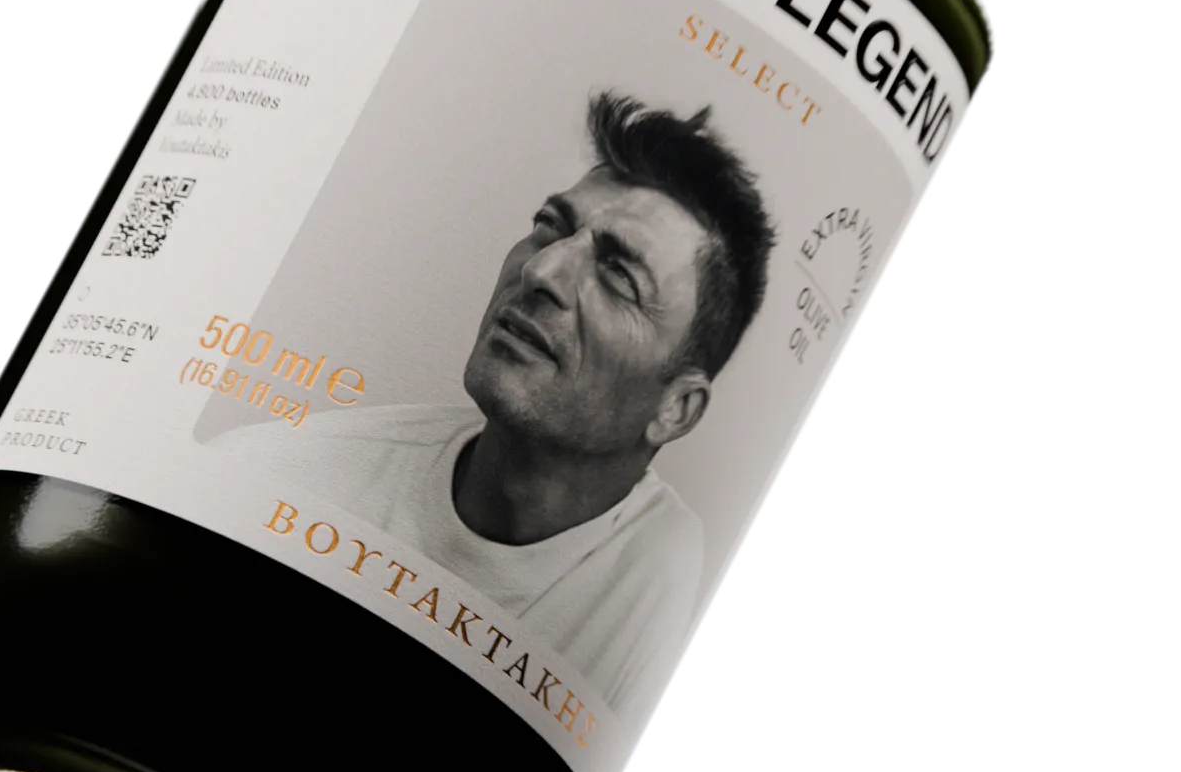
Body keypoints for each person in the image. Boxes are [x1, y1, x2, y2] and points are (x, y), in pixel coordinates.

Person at [213, 91, 775, 719]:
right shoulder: (267, 480)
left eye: (619, 276)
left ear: (677, 408)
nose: (543, 272)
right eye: (550, 227)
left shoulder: (682, 581)